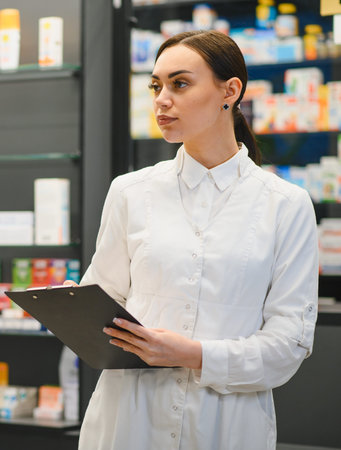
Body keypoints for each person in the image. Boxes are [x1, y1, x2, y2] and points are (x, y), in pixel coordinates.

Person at [75, 30, 319, 450]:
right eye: (156, 85)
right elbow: (105, 301)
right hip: (127, 420)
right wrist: (76, 309)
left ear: (230, 90)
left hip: (227, 424)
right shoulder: (130, 191)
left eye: (179, 83)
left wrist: (195, 355)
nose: (161, 99)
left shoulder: (285, 204)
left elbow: (289, 344)